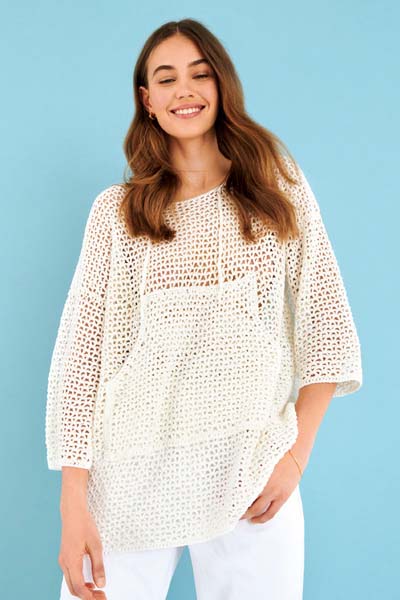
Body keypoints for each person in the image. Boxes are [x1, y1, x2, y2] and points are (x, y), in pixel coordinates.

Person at [45, 18, 363, 600]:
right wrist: (73, 504)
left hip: (251, 469)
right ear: (147, 99)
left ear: (222, 85)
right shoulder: (117, 214)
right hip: (129, 473)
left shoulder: (278, 188)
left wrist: (294, 460)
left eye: (200, 74)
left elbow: (328, 328)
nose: (184, 90)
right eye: (166, 79)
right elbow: (80, 362)